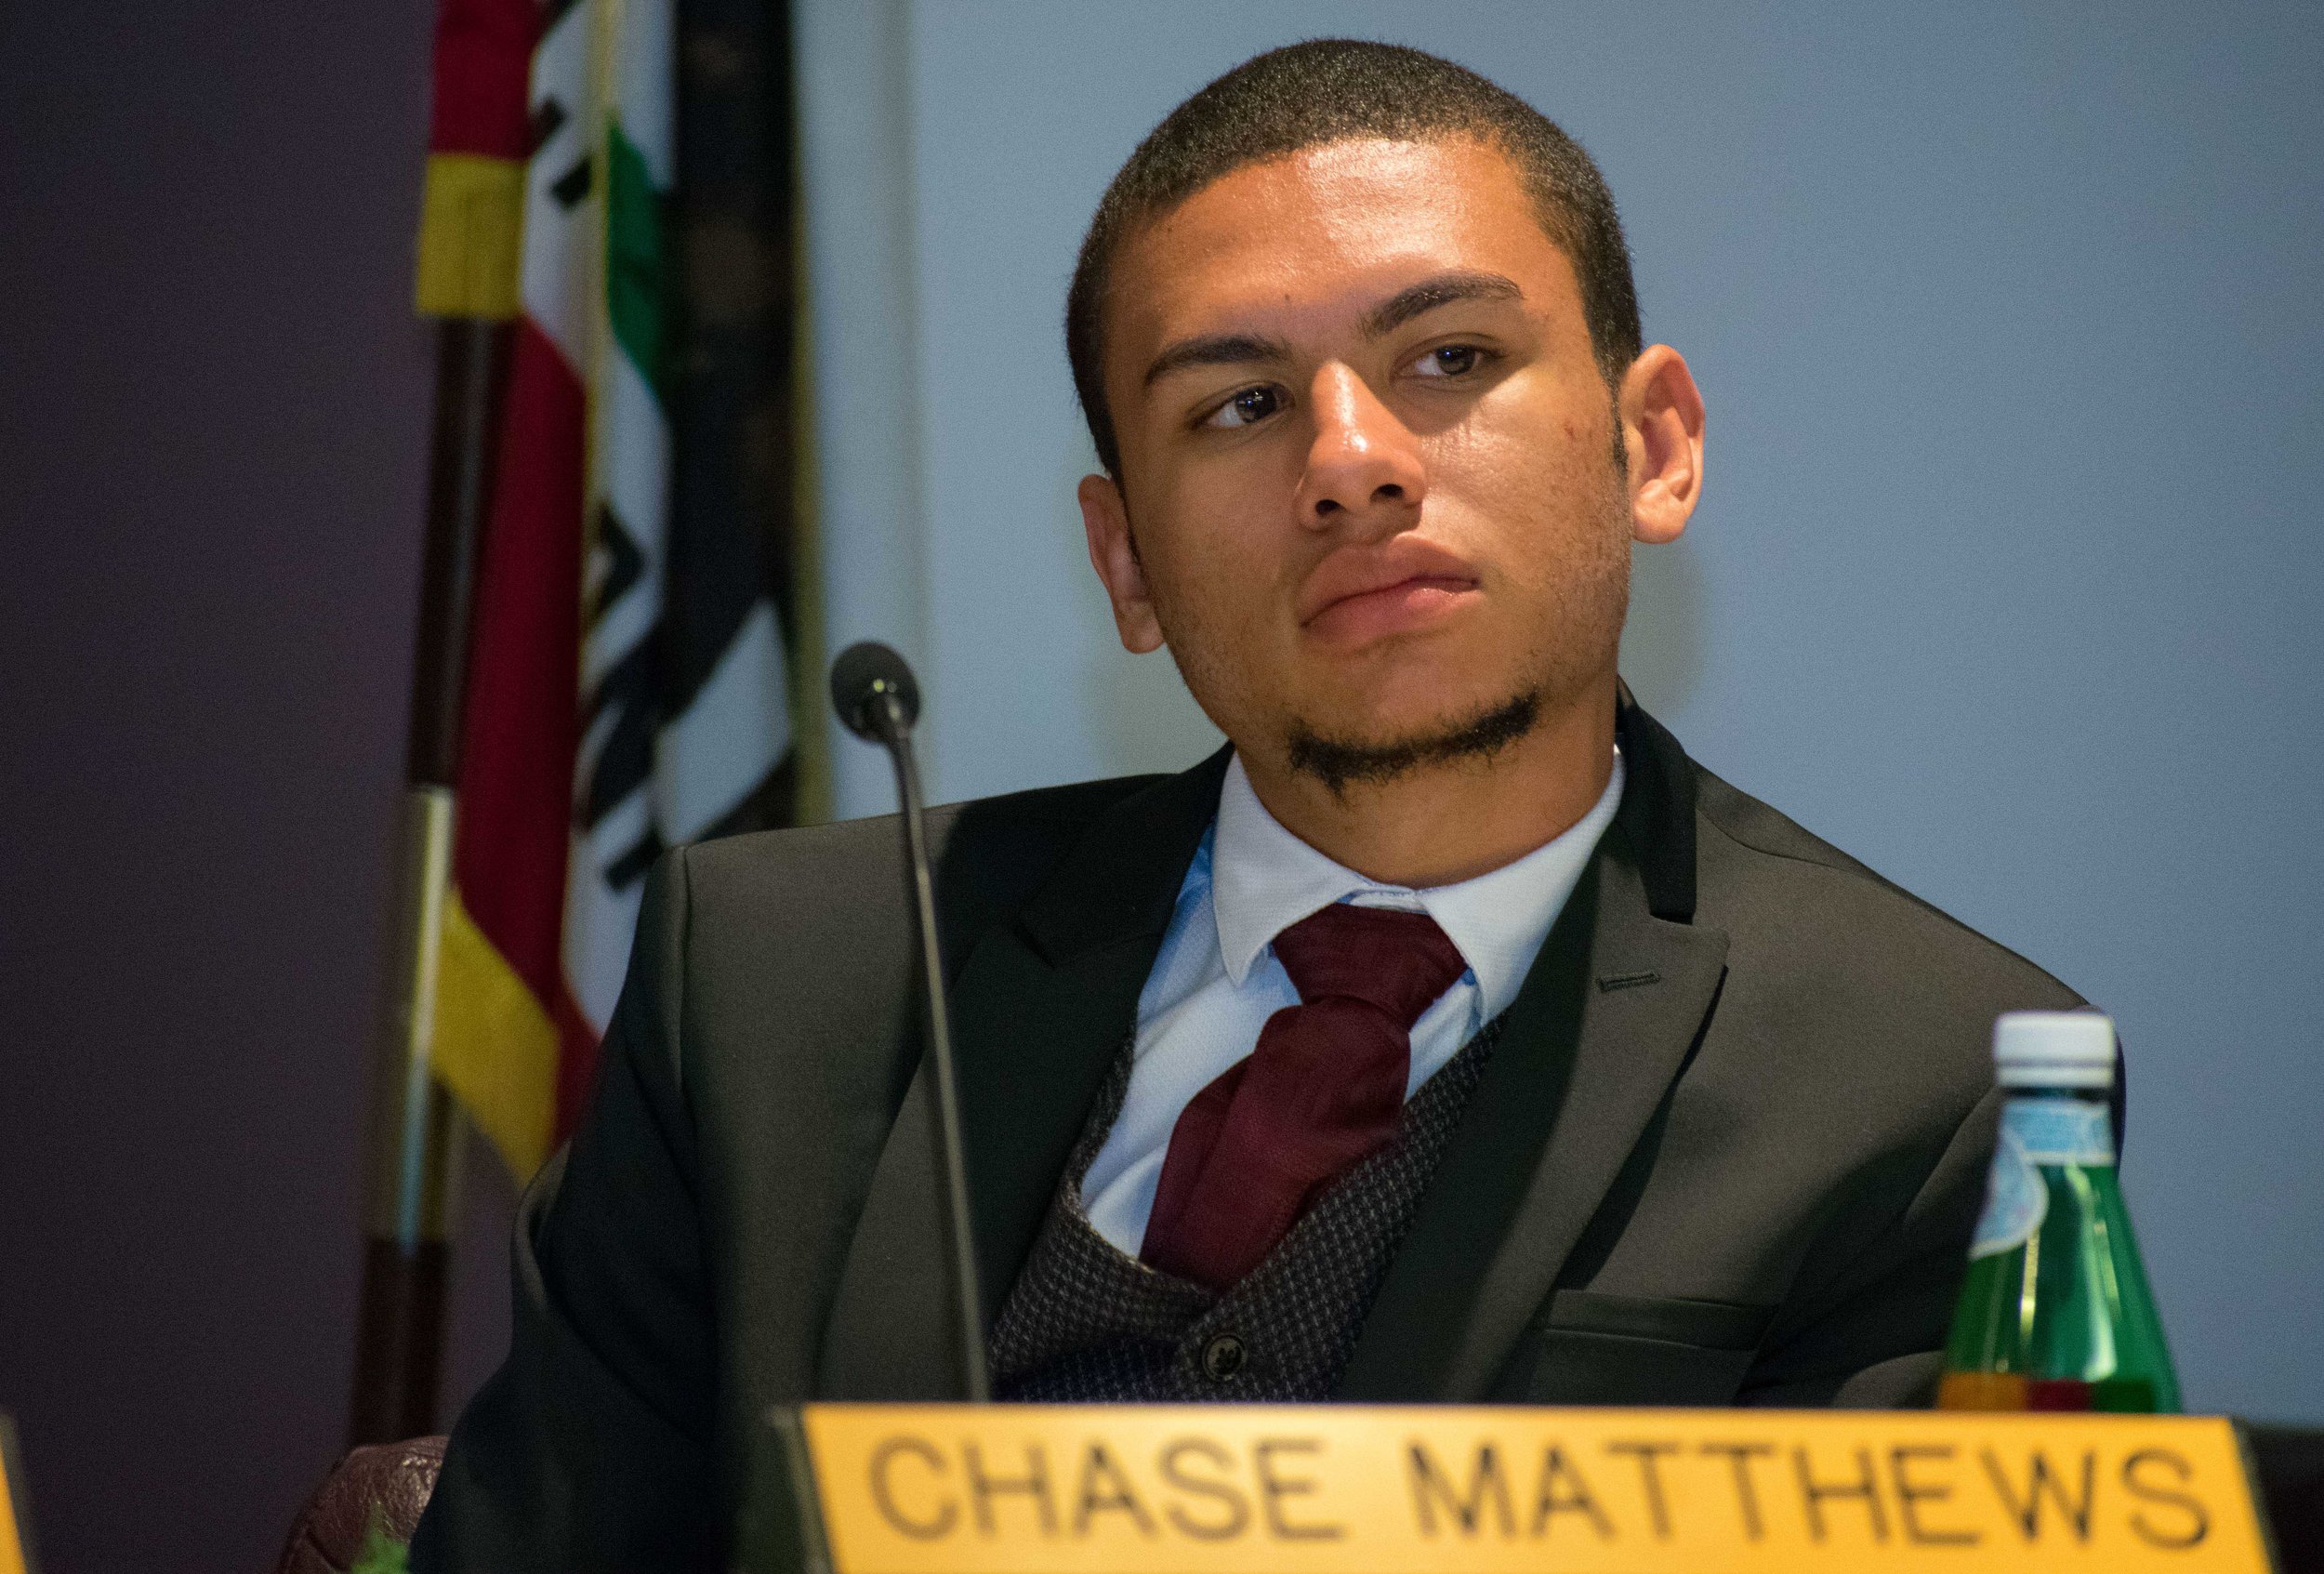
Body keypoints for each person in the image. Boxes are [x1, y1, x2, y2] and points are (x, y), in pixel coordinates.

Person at [411, 39, 2093, 1571]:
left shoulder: (1935, 1081)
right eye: (1238, 403)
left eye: (1448, 354)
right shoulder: (778, 980)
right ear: (1126, 562)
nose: (1350, 459)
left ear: (1651, 445)